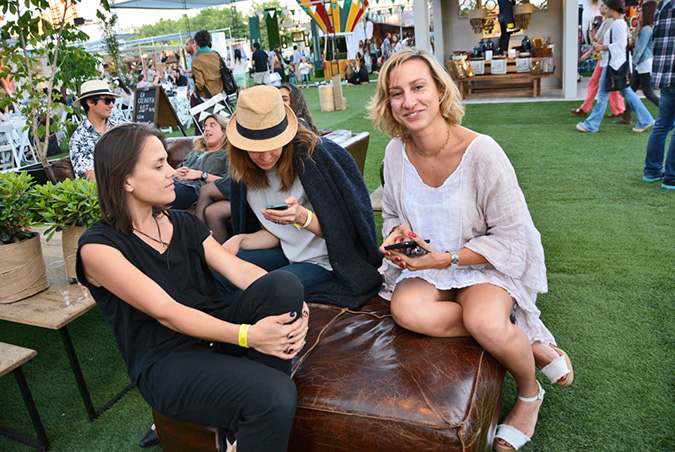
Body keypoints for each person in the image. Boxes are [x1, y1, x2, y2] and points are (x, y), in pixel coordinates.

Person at [367, 48, 573, 452]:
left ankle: (530, 393)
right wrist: (397, 234)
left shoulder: (483, 152)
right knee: (406, 311)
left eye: (418, 87)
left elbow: (515, 237)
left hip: (481, 263)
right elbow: (390, 211)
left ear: (441, 90)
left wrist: (448, 258)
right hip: (427, 267)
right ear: (387, 104)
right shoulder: (395, 153)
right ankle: (527, 342)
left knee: (488, 324)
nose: (409, 101)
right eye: (396, 93)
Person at [77, 122, 309, 452]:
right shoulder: (98, 248)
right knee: (274, 394)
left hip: (215, 333)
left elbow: (240, 270)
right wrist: (249, 335)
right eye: (159, 166)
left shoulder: (183, 222)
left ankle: (243, 428)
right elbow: (167, 312)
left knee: (284, 284)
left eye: (168, 162)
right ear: (125, 178)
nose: (172, 172)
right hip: (167, 361)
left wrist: (297, 307)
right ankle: (256, 404)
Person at [219, 85, 381, 308]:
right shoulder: (243, 174)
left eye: (273, 144)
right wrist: (239, 240)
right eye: (256, 147)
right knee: (219, 274)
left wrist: (302, 218)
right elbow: (275, 234)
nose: (266, 156)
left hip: (327, 261)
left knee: (256, 295)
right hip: (286, 252)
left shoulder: (315, 158)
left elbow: (347, 234)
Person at [576, 0, 654, 133]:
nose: (604, 10)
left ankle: (591, 124)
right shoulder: (618, 23)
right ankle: (646, 119)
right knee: (626, 93)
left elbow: (620, 45)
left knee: (603, 94)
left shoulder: (618, 24)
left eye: (606, 7)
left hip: (614, 64)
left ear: (612, 8)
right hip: (615, 64)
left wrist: (603, 47)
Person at [571, 0, 626, 118]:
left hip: (607, 58)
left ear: (609, 8)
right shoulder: (609, 21)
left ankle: (588, 112)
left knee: (598, 85)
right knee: (606, 86)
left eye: (603, 6)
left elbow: (604, 41)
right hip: (605, 57)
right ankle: (618, 110)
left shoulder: (613, 22)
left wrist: (588, 53)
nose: (600, 8)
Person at [644, 0, 675, 189]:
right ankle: (671, 175)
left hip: (665, 73)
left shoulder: (663, 5)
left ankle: (652, 171)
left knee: (663, 123)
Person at [614, 1, 660, 125]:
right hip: (642, 64)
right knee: (632, 89)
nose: (638, 13)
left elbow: (640, 50)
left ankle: (668, 111)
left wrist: (631, 65)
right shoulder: (647, 27)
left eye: (640, 11)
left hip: (643, 63)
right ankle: (626, 117)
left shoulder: (646, 29)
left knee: (648, 92)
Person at [171, 114, 230, 210]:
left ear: (224, 131)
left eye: (212, 125)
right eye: (205, 126)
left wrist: (200, 175)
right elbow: (179, 168)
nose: (206, 129)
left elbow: (229, 183)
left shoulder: (227, 154)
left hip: (194, 190)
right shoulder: (196, 151)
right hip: (174, 182)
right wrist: (175, 172)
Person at [69, 79, 124, 180]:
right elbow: (93, 178)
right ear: (90, 102)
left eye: (112, 101)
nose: (112, 105)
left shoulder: (120, 125)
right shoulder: (79, 139)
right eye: (107, 101)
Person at [191, 30, 224, 100]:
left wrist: (195, 89)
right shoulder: (216, 54)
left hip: (208, 98)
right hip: (222, 94)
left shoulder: (196, 60)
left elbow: (200, 83)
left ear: (196, 43)